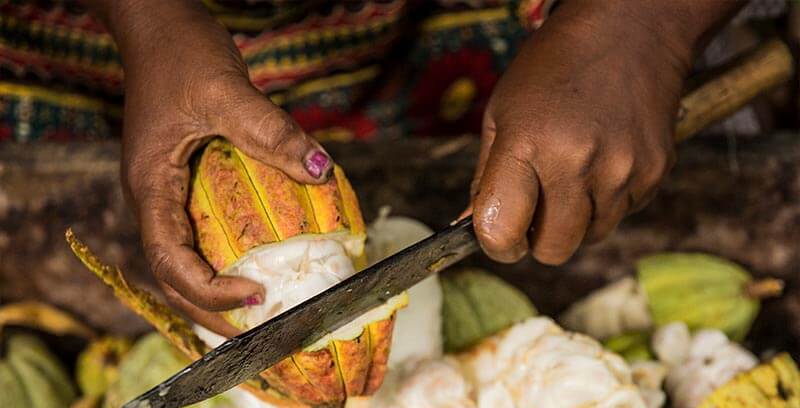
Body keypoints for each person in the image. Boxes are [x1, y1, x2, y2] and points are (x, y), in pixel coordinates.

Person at [2, 1, 747, 328]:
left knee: (551, 159)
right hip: (103, 56)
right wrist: (148, 20)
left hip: (494, 41)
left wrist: (643, 23)